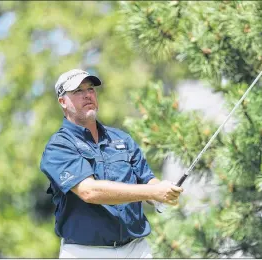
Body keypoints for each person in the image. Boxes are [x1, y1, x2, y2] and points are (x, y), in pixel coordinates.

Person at [40, 69, 183, 258]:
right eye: (77, 91)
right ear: (63, 102)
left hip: (137, 250)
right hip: (86, 253)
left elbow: (147, 181)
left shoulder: (122, 138)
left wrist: (162, 193)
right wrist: (153, 192)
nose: (87, 95)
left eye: (90, 89)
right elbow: (89, 191)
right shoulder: (59, 146)